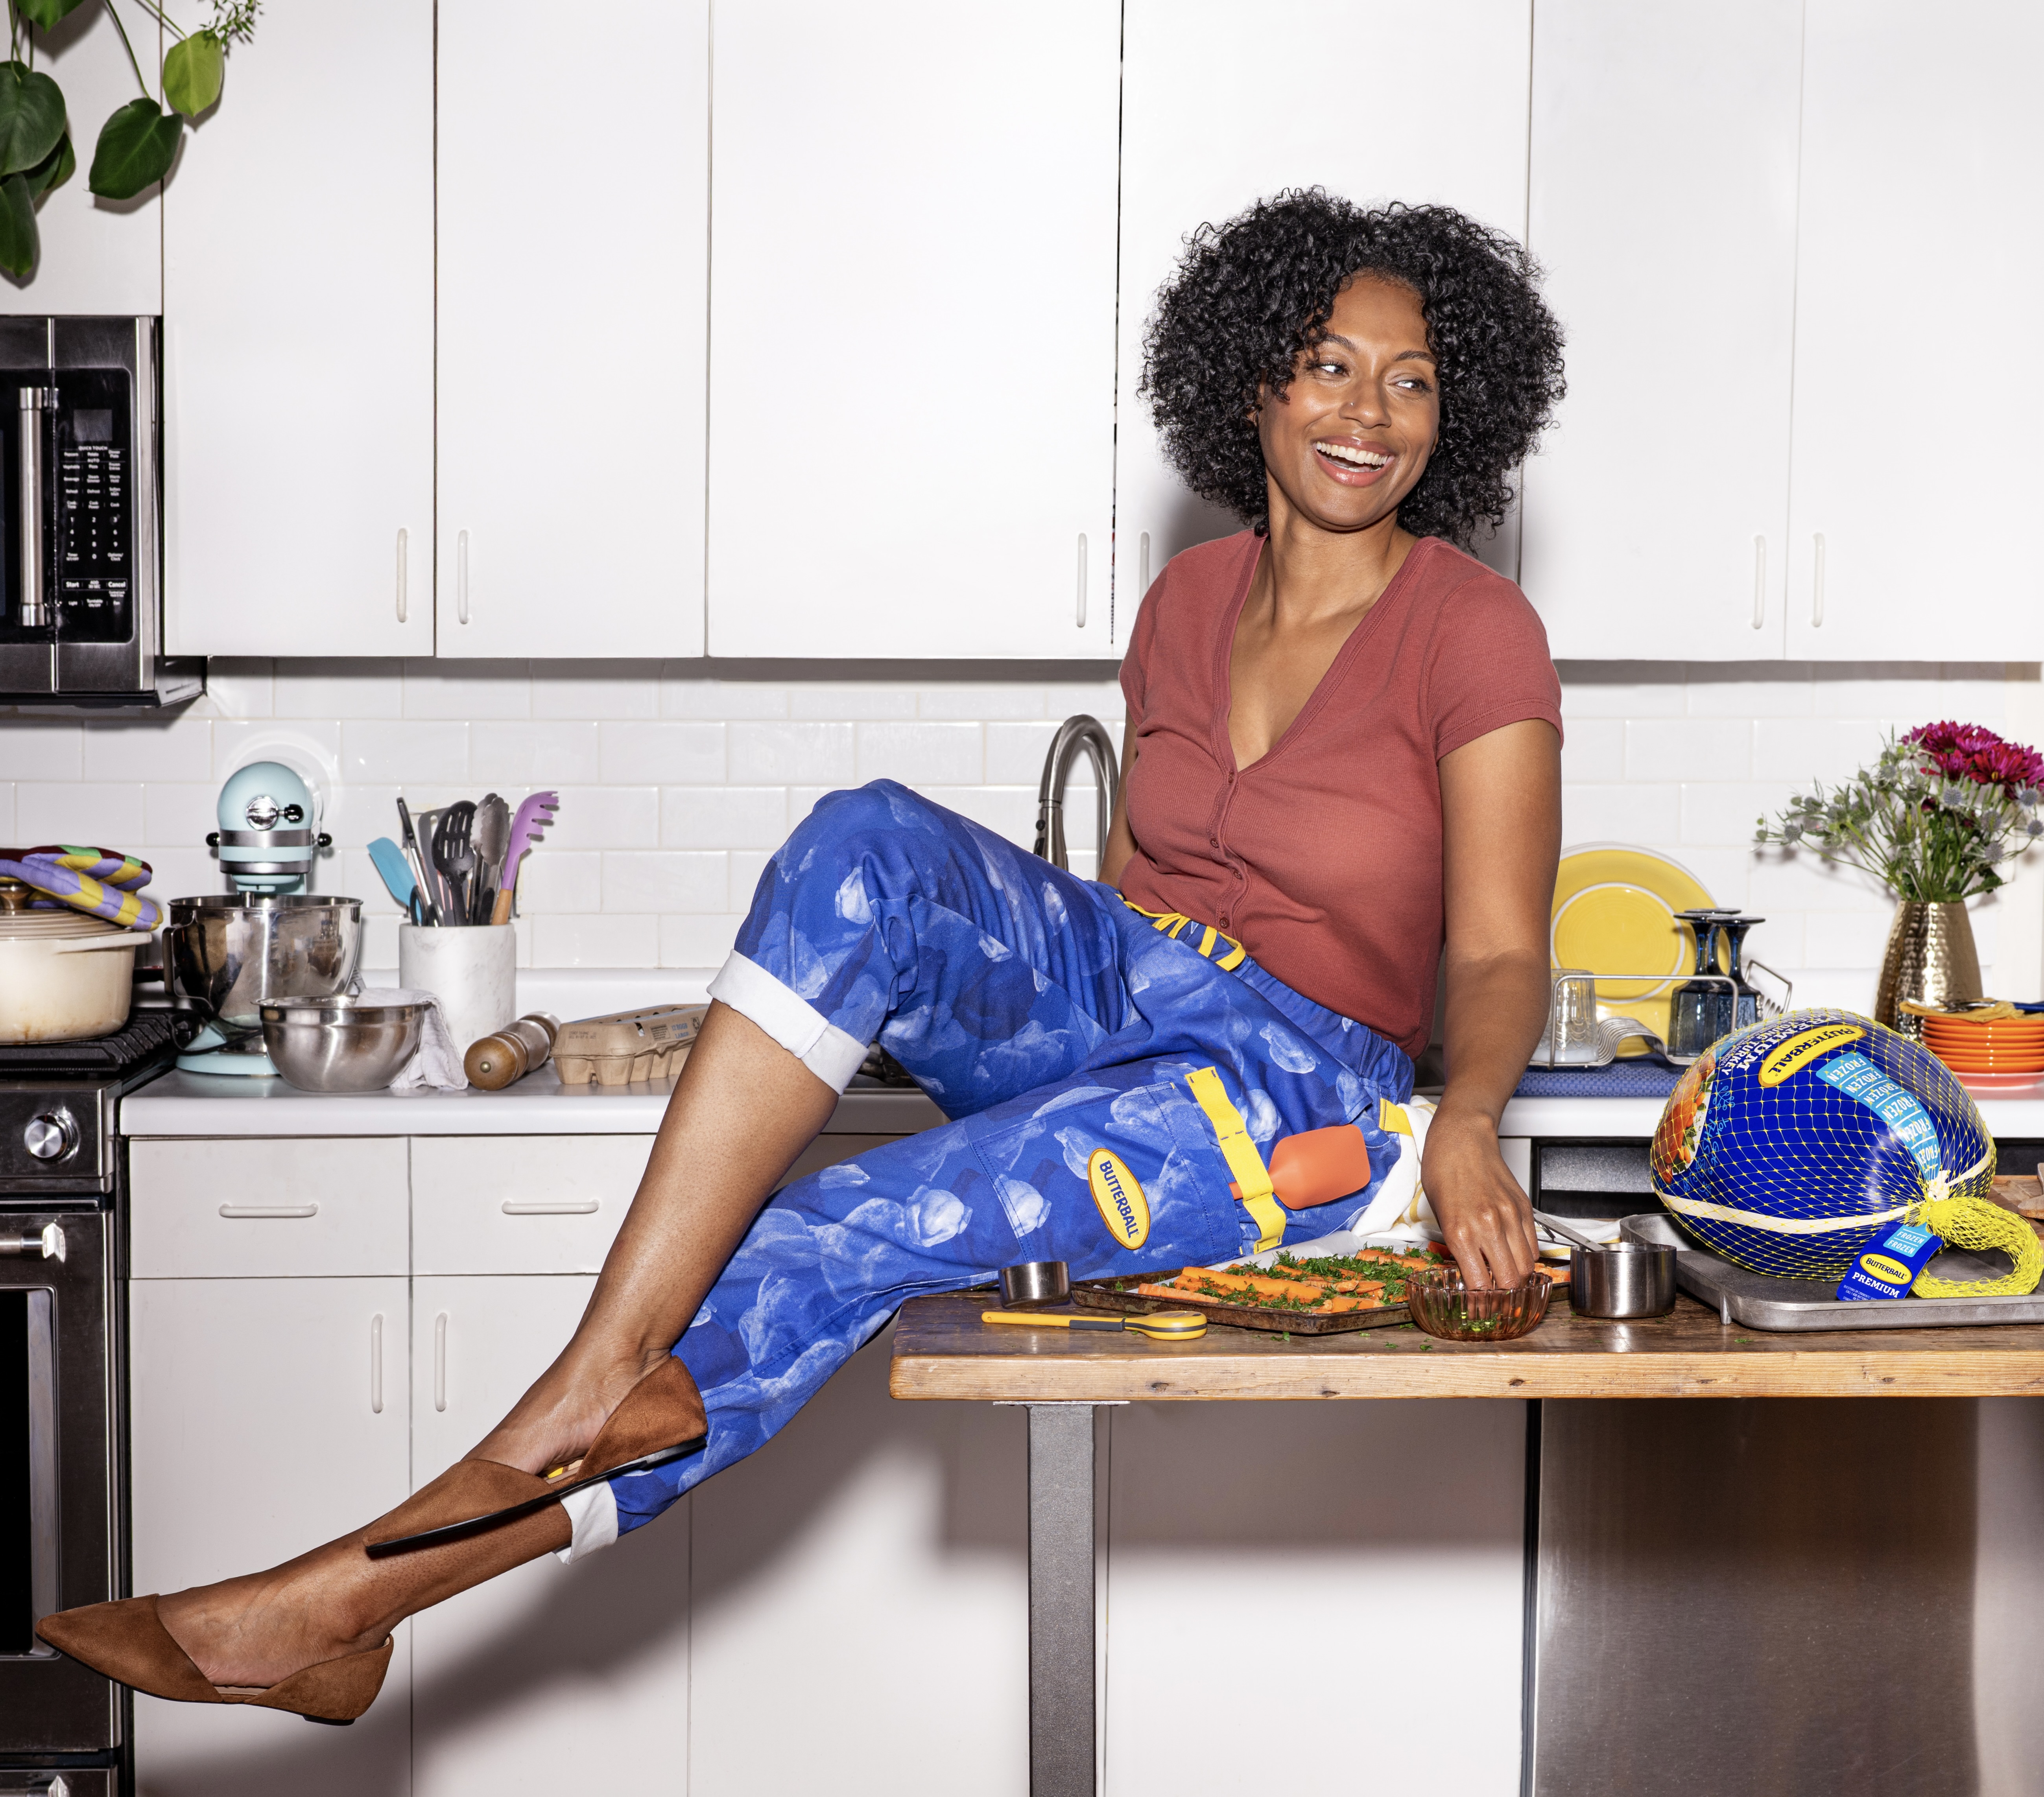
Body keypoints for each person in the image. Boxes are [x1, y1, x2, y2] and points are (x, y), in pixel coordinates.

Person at [39, 188, 1568, 1722]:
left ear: (1457, 411)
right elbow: (1122, 905)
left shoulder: (1472, 628)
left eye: (1411, 379)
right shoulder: (1183, 604)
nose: (1369, 413)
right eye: (1327, 364)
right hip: (1140, 1002)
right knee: (866, 841)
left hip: (1305, 1086)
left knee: (829, 1231)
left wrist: (1468, 1124)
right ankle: (587, 1374)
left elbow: (1502, 953)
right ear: (1252, 382)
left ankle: (350, 1600)